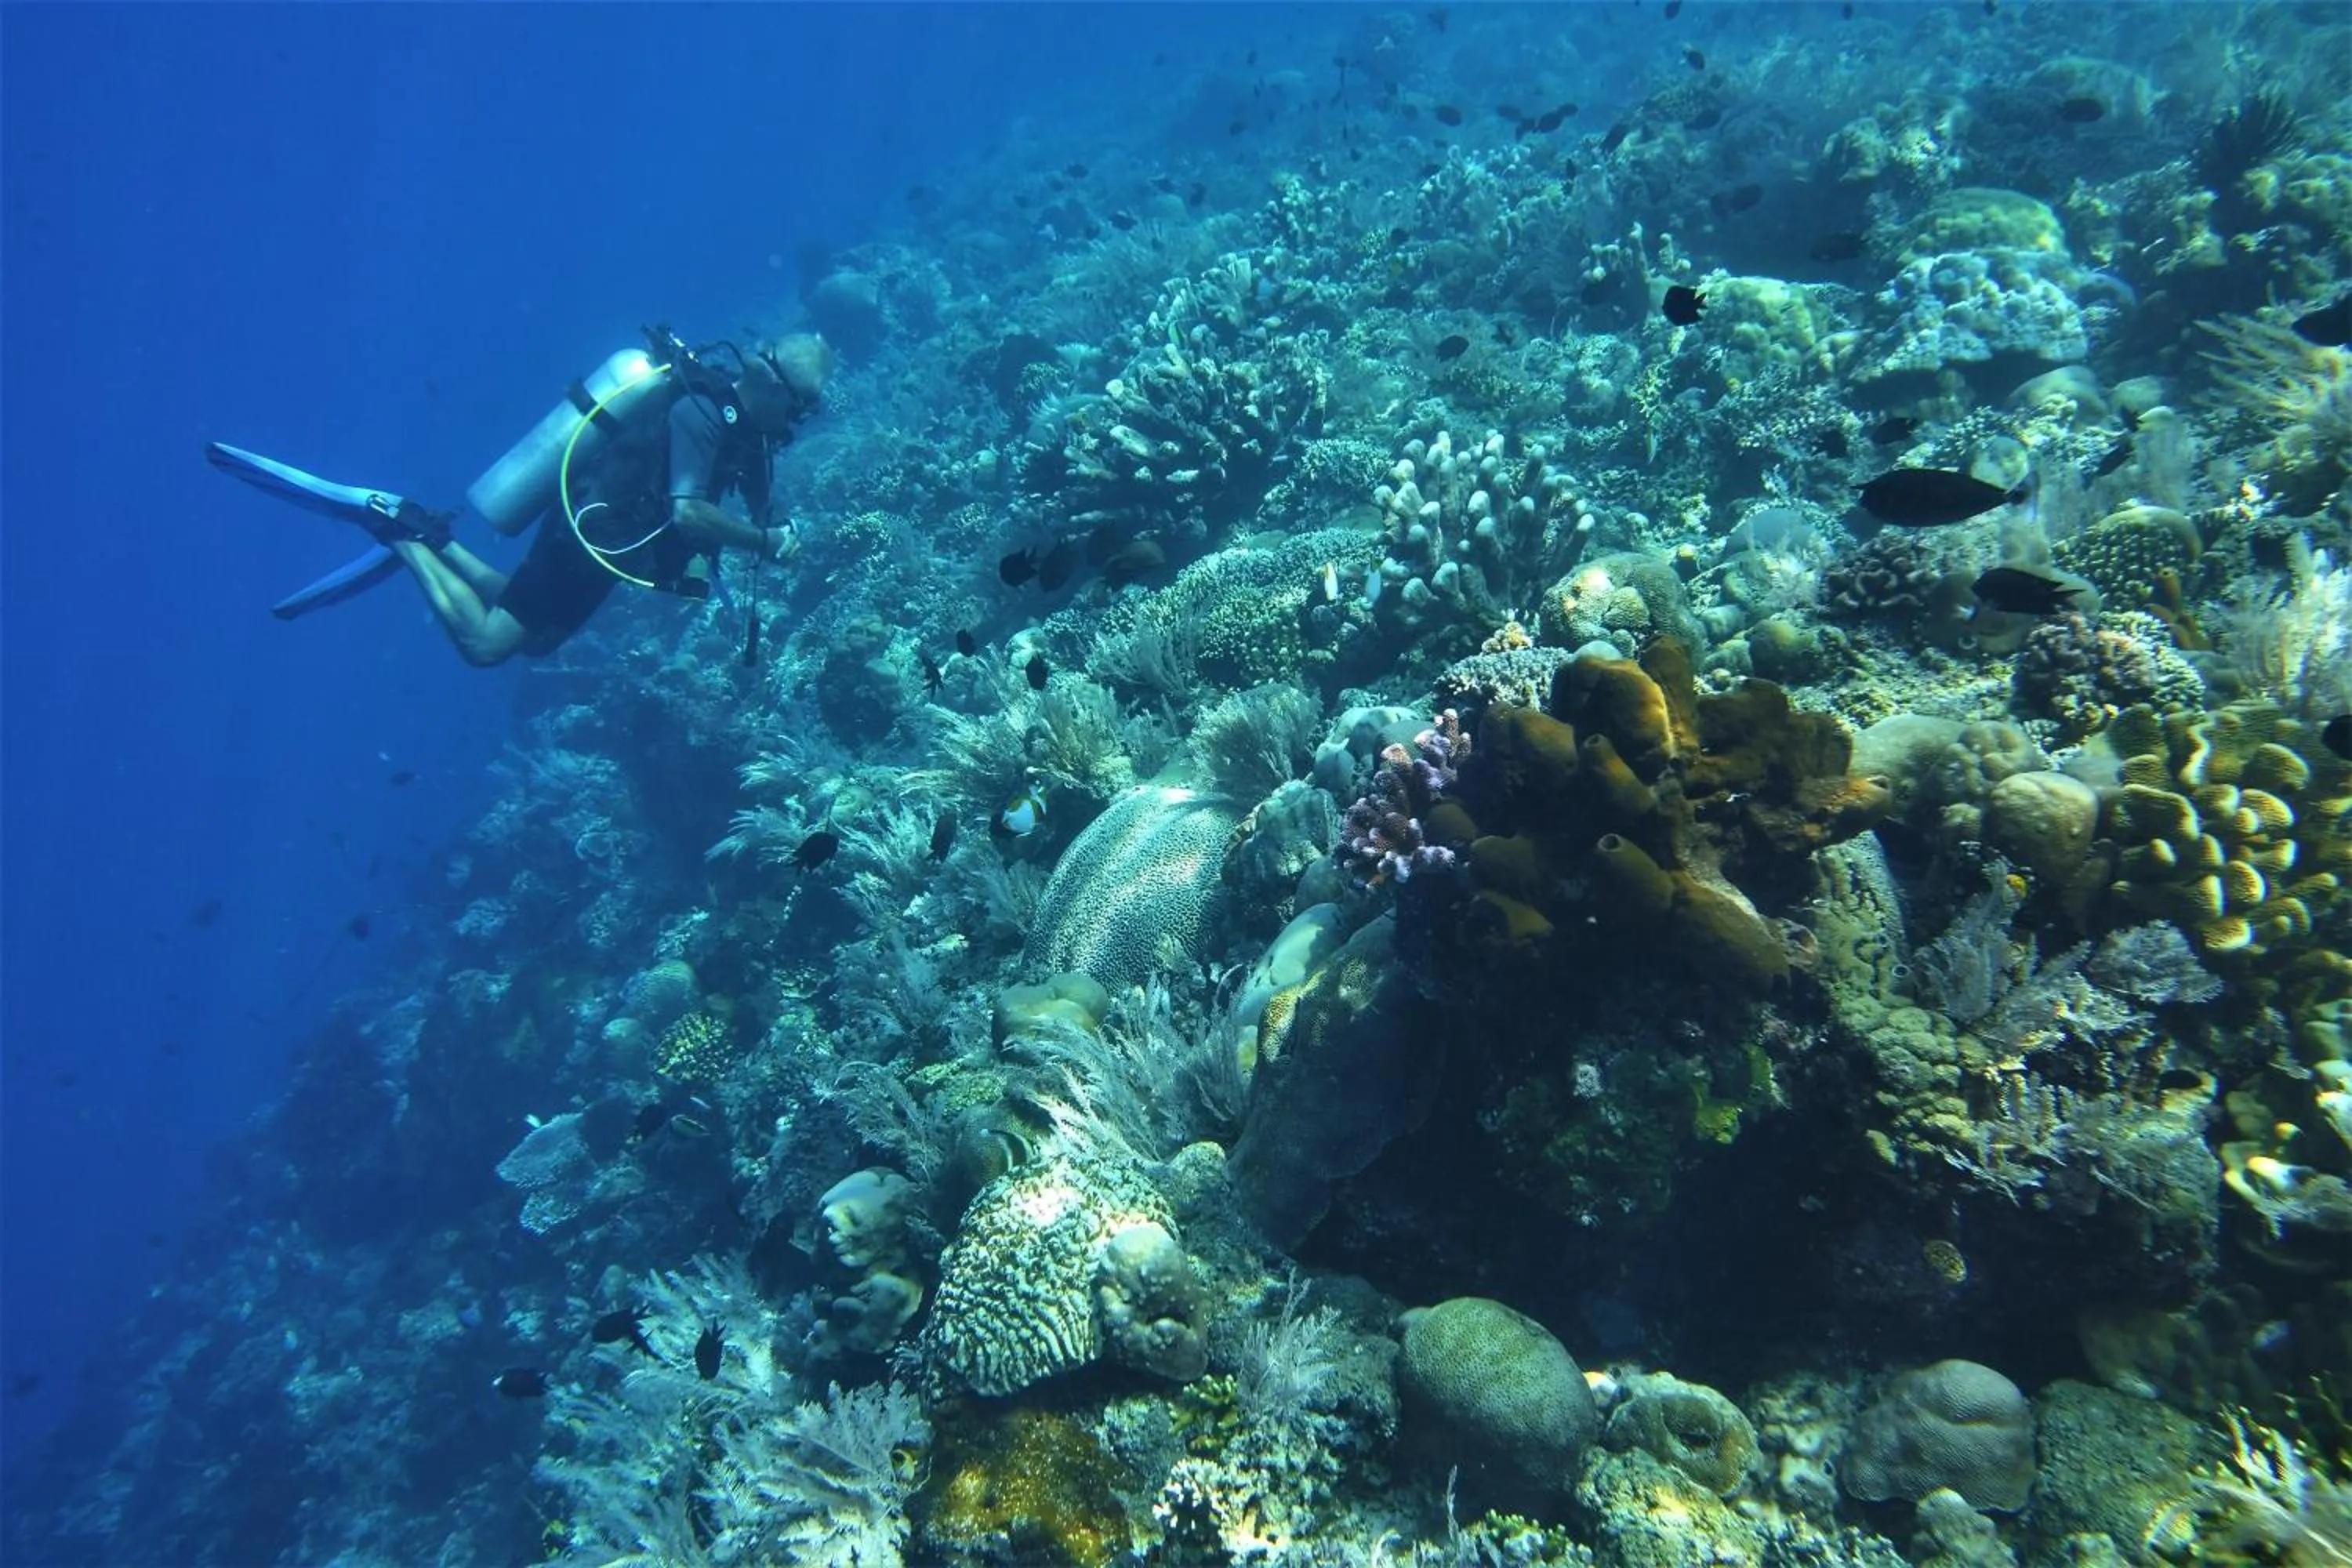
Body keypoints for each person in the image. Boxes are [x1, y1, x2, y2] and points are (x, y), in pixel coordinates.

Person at [209, 327, 829, 666]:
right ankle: (396, 526)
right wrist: (767, 545)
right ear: (772, 388)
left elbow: (761, 506)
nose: (803, 419)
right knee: (488, 647)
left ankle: (429, 537)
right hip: (588, 534)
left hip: (614, 550)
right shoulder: (702, 415)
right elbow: (691, 511)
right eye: (802, 404)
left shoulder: (755, 438)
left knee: (532, 640)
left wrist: (780, 528)